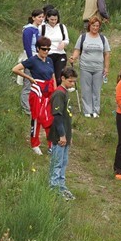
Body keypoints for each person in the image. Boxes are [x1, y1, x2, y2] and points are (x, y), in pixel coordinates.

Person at [12, 37, 56, 155]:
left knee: (49, 117)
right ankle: (34, 143)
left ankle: (51, 144)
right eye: (43, 49)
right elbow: (15, 69)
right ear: (38, 48)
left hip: (49, 90)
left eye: (48, 49)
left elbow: (52, 76)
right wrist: (30, 78)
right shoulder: (32, 60)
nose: (46, 51)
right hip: (37, 90)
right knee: (36, 117)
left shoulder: (49, 60)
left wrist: (55, 91)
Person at [69, 17, 110, 118]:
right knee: (86, 89)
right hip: (85, 67)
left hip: (98, 68)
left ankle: (96, 110)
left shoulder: (103, 38)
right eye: (93, 25)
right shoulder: (83, 37)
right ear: (89, 26)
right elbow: (77, 50)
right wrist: (73, 57)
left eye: (97, 26)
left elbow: (107, 54)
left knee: (96, 90)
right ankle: (87, 110)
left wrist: (106, 68)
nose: (95, 28)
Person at [48, 67, 78, 201]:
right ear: (63, 79)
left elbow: (67, 117)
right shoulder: (59, 94)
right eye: (70, 81)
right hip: (58, 136)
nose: (72, 84)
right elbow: (57, 116)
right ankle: (53, 187)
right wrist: (62, 135)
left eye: (74, 82)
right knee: (57, 163)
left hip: (66, 134)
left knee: (64, 162)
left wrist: (69, 135)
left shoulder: (65, 93)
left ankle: (61, 186)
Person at [20, 9, 45, 114]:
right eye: (39, 17)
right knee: (28, 83)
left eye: (42, 17)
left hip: (37, 58)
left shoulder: (37, 30)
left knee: (36, 84)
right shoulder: (28, 30)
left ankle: (34, 106)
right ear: (33, 17)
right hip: (30, 59)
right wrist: (32, 61)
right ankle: (26, 108)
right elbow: (27, 46)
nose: (41, 19)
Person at [41, 7, 70, 85]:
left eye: (55, 19)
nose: (54, 22)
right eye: (52, 20)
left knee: (59, 77)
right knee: (49, 76)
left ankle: (58, 93)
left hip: (60, 54)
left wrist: (64, 43)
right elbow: (39, 41)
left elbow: (66, 40)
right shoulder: (43, 27)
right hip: (48, 54)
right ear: (47, 18)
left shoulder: (62, 27)